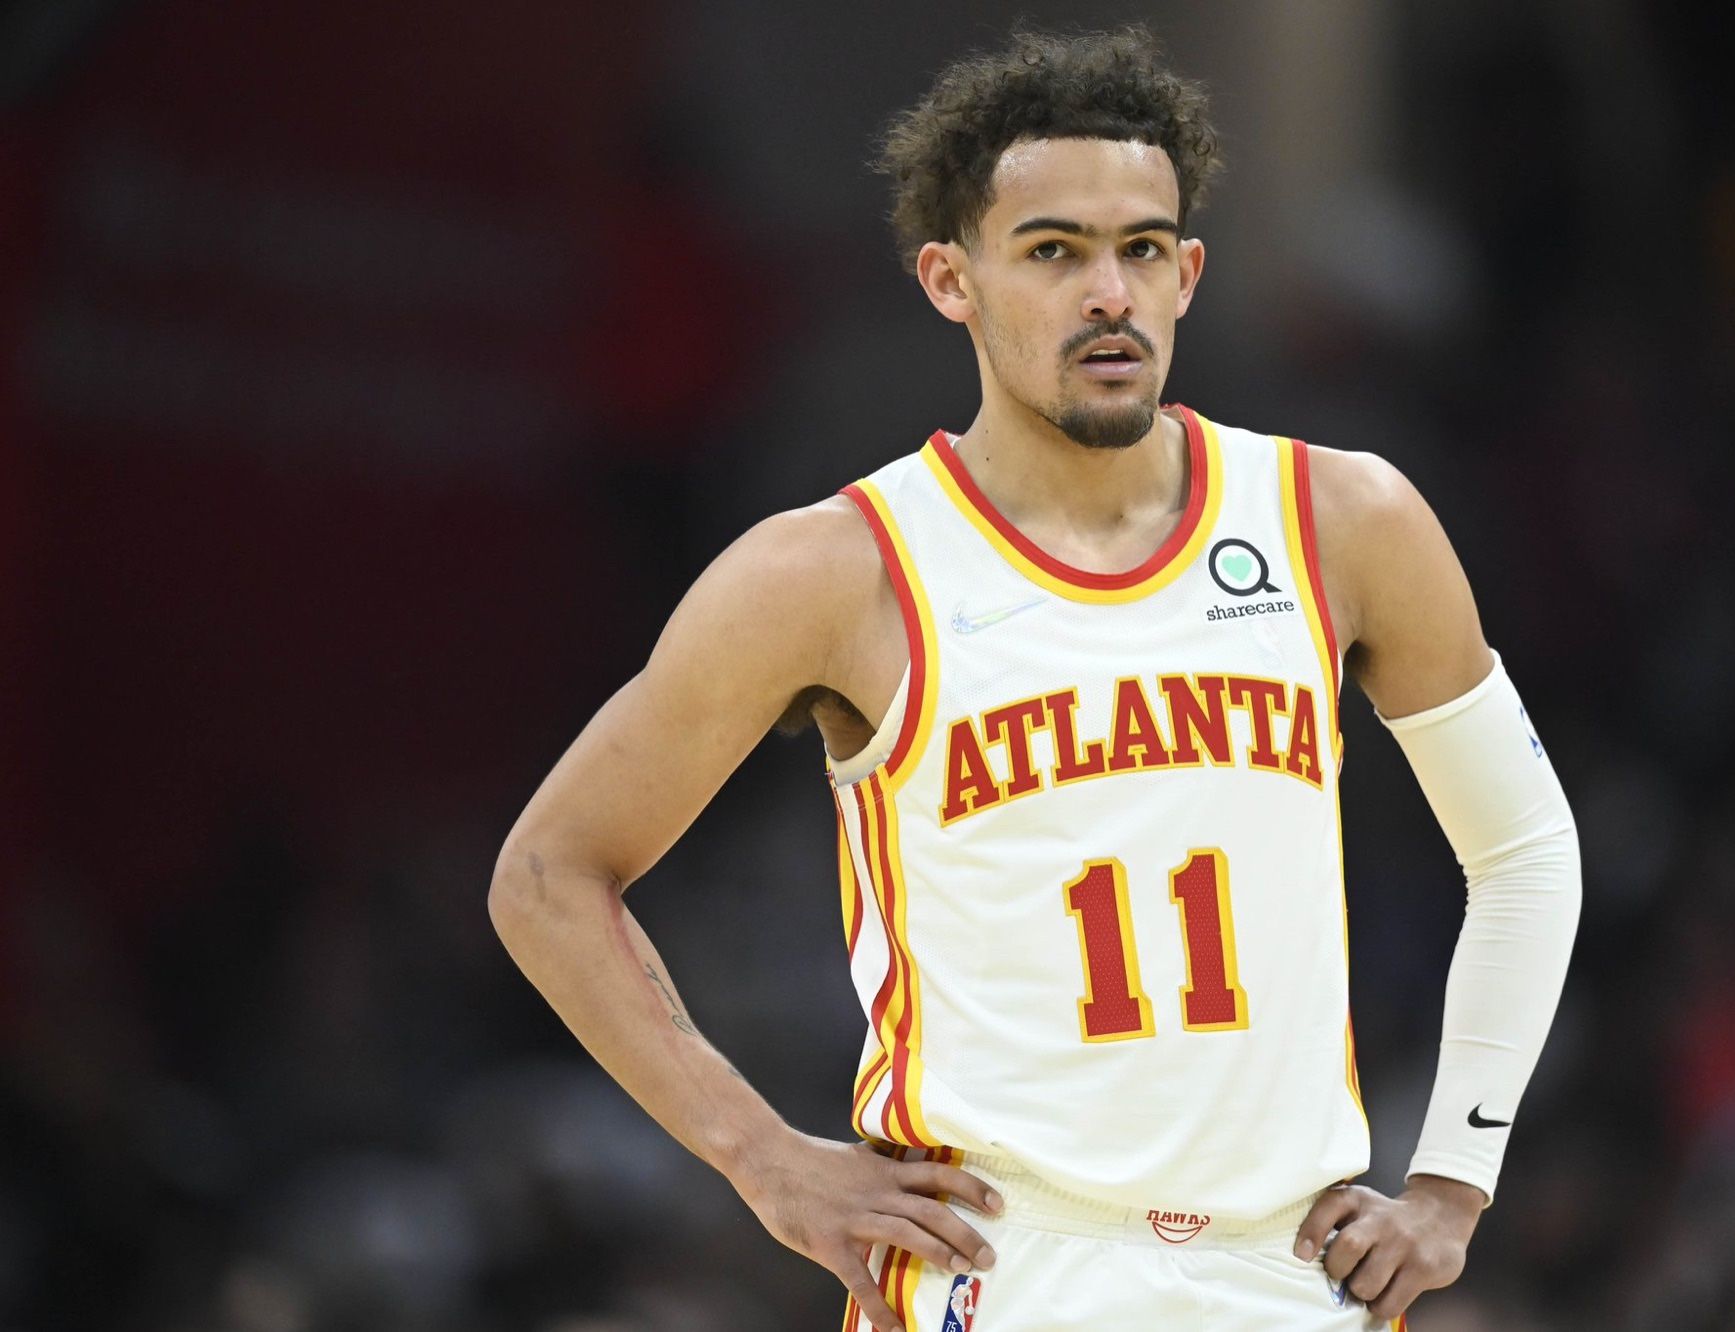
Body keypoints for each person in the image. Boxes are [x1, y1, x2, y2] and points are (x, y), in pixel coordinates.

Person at [489, 25, 1581, 1332]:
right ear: (951, 280)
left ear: (1187, 274)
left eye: (1140, 250)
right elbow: (548, 876)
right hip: (1010, 1270)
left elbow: (1523, 845)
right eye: (1054, 251)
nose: (1107, 292)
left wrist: (1455, 1180)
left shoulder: (1343, 519)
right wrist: (765, 1161)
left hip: (1288, 1272)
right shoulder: (837, 572)